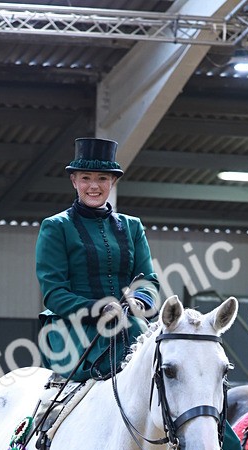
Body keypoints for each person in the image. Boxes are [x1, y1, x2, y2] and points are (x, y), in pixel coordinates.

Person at [35, 137, 160, 383]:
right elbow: (53, 293)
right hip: (75, 331)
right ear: (74, 181)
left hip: (129, 324)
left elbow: (149, 283)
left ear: (113, 181)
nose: (94, 186)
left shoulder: (132, 227)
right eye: (86, 178)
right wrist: (99, 308)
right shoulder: (56, 227)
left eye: (102, 178)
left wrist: (137, 302)